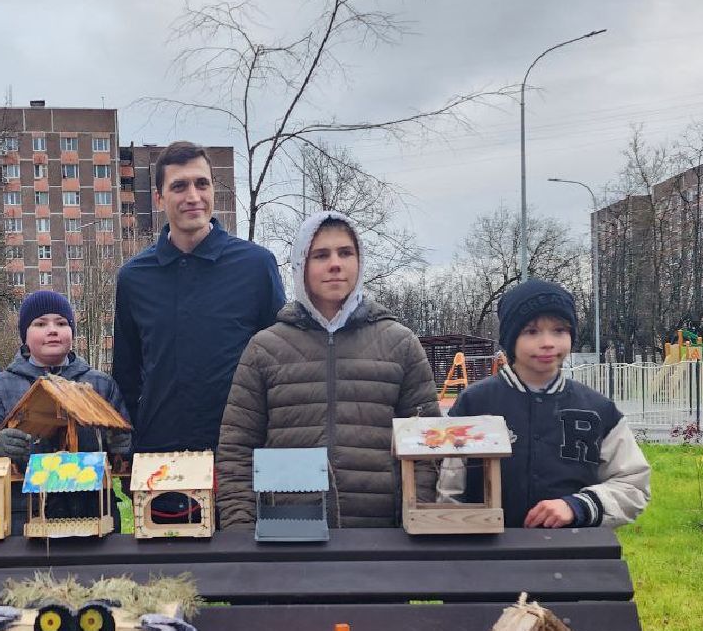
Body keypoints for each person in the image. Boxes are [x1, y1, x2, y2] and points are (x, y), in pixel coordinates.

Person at [217, 211, 440, 528]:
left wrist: (417, 522)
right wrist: (241, 531)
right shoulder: (265, 349)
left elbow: (428, 449)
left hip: (383, 541)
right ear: (301, 266)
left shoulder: (400, 345)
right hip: (287, 538)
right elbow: (236, 451)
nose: (335, 264)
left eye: (345, 253)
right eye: (321, 255)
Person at [112, 141, 284, 453]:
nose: (193, 197)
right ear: (159, 197)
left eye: (201, 184)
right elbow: (126, 377)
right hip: (160, 458)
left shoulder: (256, 266)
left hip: (243, 452)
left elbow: (280, 365)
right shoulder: (134, 279)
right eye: (179, 186)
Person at [438, 278, 650, 528]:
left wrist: (579, 506)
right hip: (488, 556)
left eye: (559, 330)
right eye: (531, 331)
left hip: (573, 557)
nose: (548, 342)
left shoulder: (598, 410)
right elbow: (447, 488)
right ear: (510, 338)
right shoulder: (474, 404)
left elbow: (632, 484)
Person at [0, 290, 131, 525]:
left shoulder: (100, 385)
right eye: (40, 323)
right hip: (26, 520)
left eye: (61, 323)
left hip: (94, 515)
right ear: (24, 335)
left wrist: (122, 448)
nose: (52, 330)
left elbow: (125, 457)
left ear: (72, 331)